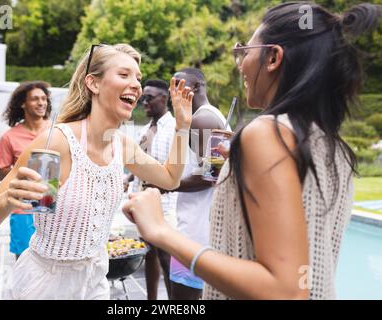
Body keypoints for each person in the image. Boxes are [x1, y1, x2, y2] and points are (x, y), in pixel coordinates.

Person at [122, 2, 381, 299]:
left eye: (245, 52)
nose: (240, 64)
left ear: (272, 57)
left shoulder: (268, 134)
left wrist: (160, 231)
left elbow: (284, 290)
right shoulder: (334, 146)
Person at [0, 43, 194, 300]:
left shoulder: (121, 144)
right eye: (124, 75)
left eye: (138, 77)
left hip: (95, 282)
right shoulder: (57, 142)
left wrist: (183, 127)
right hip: (44, 286)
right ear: (94, 84)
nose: (136, 84)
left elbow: (170, 178)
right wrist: (7, 199)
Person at [166, 68, 230, 300]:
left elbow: (208, 176)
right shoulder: (204, 117)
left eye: (178, 86)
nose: (173, 92)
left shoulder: (202, 119)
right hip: (203, 229)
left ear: (195, 87)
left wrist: (165, 184)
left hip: (197, 233)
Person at [123, 79, 178, 300]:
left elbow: (179, 169)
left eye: (148, 98)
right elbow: (142, 163)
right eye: (142, 98)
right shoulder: (145, 130)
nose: (143, 101)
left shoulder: (176, 129)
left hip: (166, 204)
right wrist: (129, 177)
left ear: (164, 99)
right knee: (149, 254)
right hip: (143, 201)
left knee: (166, 257)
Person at [0, 81, 52, 260]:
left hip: (53, 202)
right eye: (35, 99)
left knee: (53, 258)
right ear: (22, 103)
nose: (41, 103)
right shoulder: (9, 137)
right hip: (23, 208)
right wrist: (22, 172)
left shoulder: (56, 130)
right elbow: (2, 171)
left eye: (44, 98)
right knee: (24, 259)